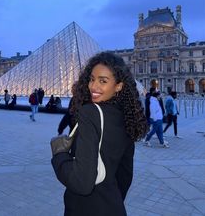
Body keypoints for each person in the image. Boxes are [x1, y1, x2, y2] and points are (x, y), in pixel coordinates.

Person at [51, 51, 148, 216]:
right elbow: (125, 175)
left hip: (85, 208)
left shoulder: (90, 113)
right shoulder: (126, 116)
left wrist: (59, 155)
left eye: (103, 81)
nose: (93, 86)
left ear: (119, 85)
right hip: (112, 206)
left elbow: (82, 183)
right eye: (92, 79)